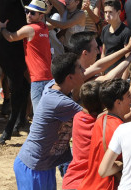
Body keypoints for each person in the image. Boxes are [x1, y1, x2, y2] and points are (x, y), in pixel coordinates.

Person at [14, 53, 84, 189]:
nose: (84, 71)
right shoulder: (59, 102)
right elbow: (94, 117)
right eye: (80, 68)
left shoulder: (55, 85)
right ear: (69, 77)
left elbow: (97, 69)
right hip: (33, 168)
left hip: (45, 165)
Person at [0, 0, 53, 111]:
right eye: (27, 11)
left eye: (33, 13)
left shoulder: (29, 29)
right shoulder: (43, 27)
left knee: (39, 113)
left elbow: (11, 37)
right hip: (48, 75)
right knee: (46, 111)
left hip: (38, 78)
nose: (28, 14)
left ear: (40, 16)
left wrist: (2, 28)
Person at [78, 79, 131, 190]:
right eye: (129, 96)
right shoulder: (121, 130)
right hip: (106, 187)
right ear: (118, 102)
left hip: (88, 185)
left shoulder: (100, 119)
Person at [100, 0, 131, 72]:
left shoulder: (126, 32)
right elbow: (103, 53)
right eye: (105, 12)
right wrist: (101, 71)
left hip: (119, 73)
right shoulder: (104, 29)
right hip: (106, 72)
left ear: (119, 12)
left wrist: (124, 78)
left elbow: (128, 59)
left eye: (110, 12)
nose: (107, 15)